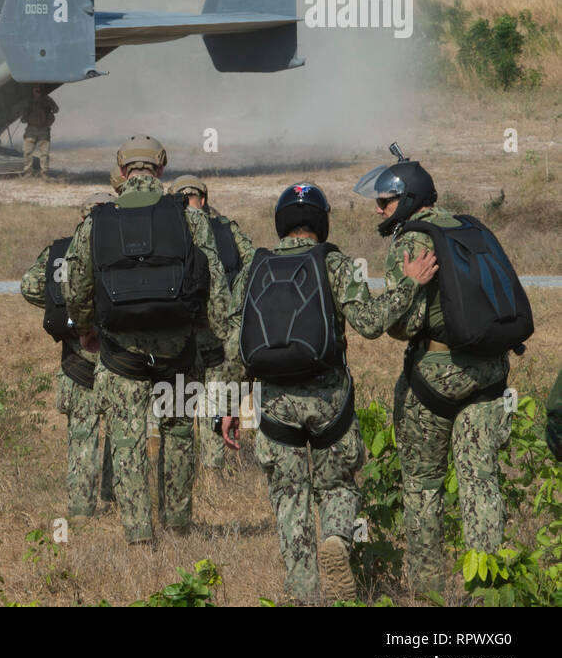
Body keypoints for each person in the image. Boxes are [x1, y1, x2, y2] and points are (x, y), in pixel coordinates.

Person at [219, 182, 436, 603]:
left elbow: (235, 347)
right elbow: (371, 323)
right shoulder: (335, 263)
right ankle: (336, 538)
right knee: (338, 486)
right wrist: (409, 284)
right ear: (322, 222)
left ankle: (302, 593)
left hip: (275, 404)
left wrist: (229, 403)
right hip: (329, 401)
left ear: (282, 222)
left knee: (288, 497)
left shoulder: (253, 268)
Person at [354, 150, 532, 595]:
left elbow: (403, 325)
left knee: (422, 486)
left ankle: (430, 591)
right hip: (491, 375)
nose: (379, 210)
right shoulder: (467, 226)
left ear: (409, 199)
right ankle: (489, 587)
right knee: (480, 480)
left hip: (436, 380)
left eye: (386, 201)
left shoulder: (411, 241)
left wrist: (407, 290)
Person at [63, 136, 233, 545]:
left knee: (126, 440)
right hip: (178, 350)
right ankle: (177, 524)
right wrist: (217, 342)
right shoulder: (189, 218)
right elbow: (217, 289)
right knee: (177, 433)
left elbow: (75, 286)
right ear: (160, 170)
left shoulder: (96, 221)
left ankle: (139, 536)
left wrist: (86, 329)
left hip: (120, 353)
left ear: (122, 173)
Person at [21, 193, 118, 518]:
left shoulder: (60, 252)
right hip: (119, 360)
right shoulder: (125, 250)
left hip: (76, 361)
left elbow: (30, 286)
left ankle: (80, 509)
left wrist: (59, 309)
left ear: (81, 220)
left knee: (82, 437)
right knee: (122, 432)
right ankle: (115, 497)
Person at [171, 174, 254, 472]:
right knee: (216, 399)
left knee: (179, 403)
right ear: (203, 200)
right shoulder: (227, 228)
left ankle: (181, 468)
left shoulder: (169, 233)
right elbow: (255, 263)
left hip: (182, 330)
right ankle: (213, 468)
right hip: (222, 330)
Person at [20, 87, 58, 179]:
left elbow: (56, 109)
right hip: (31, 130)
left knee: (44, 153)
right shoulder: (29, 101)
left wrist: (49, 105)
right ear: (32, 90)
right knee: (27, 152)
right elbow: (23, 118)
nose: (38, 92)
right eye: (36, 89)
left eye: (39, 90)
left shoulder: (47, 100)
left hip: (43, 130)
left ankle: (44, 173)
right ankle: (28, 173)